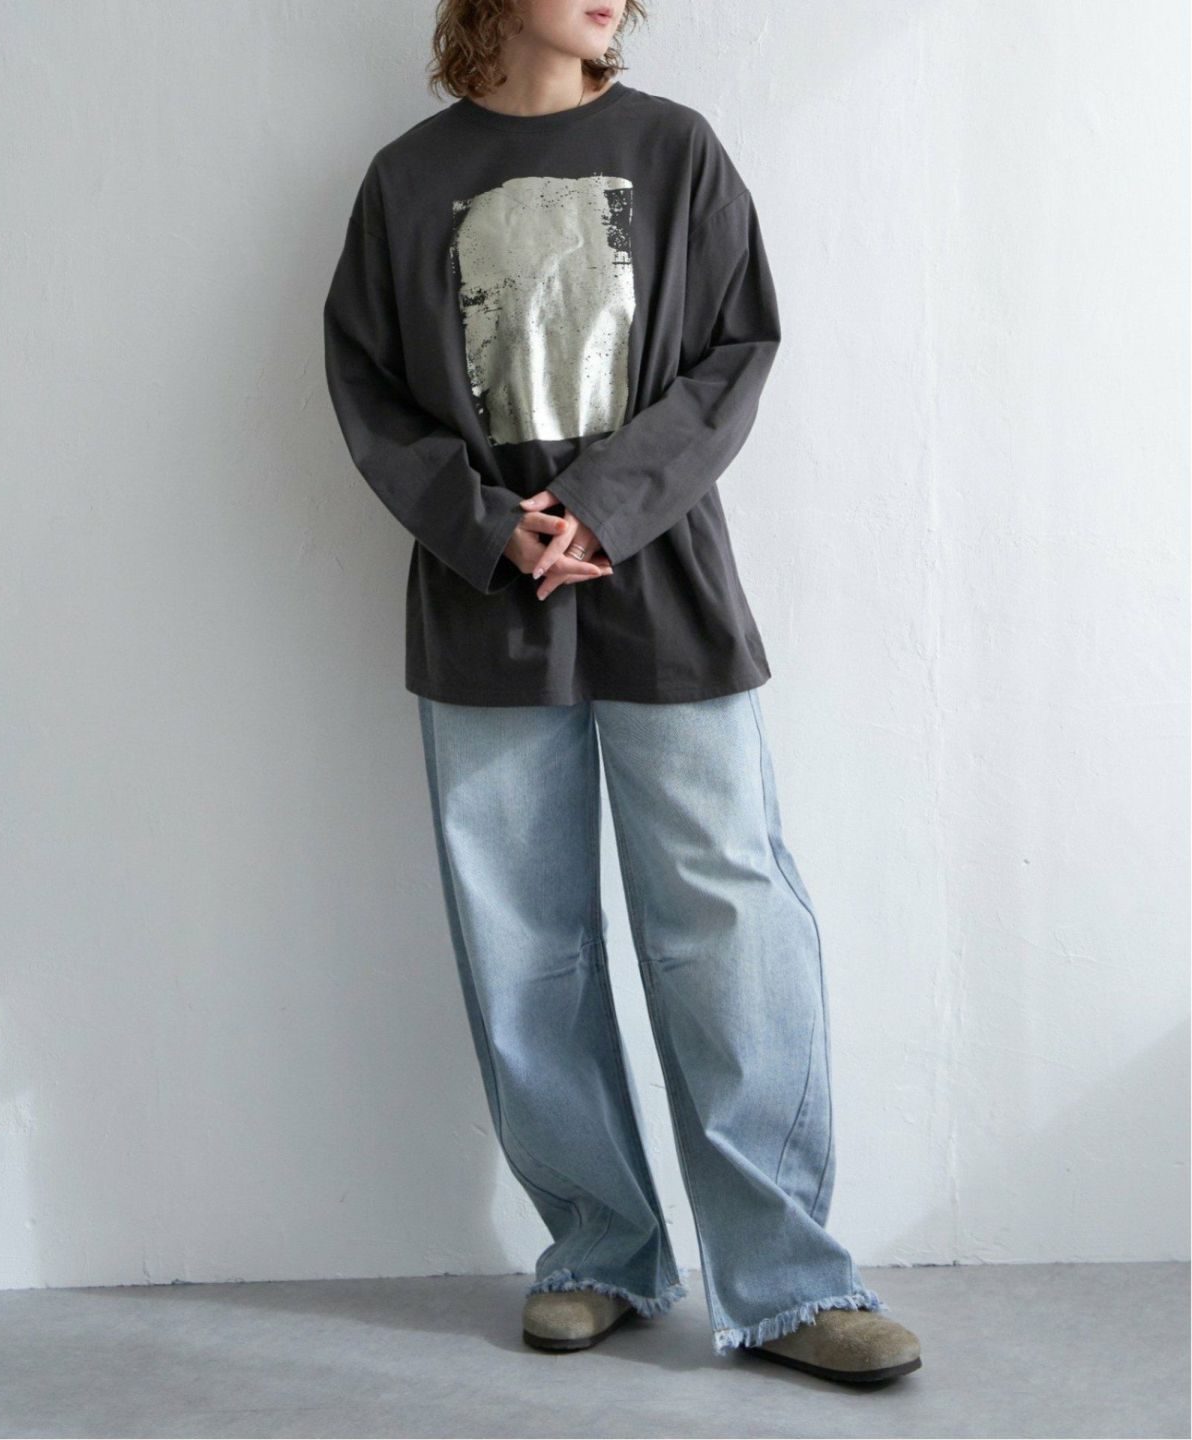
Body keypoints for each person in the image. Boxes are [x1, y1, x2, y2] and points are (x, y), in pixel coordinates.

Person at [322, 0, 922, 1385]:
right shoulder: (408, 180)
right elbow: (367, 385)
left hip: (664, 583)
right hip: (486, 599)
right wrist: (488, 525)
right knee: (521, 937)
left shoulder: (677, 150)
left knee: (729, 920)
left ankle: (789, 1282)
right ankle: (601, 1248)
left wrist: (605, 503)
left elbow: (735, 349)